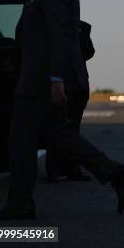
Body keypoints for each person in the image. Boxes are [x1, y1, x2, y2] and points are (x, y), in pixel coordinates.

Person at [0, 0, 124, 221]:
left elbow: (59, 34)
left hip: (39, 82)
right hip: (40, 79)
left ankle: (19, 205)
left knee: (20, 141)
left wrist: (56, 79)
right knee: (60, 137)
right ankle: (115, 173)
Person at [45, 21, 95, 183]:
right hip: (78, 82)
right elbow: (89, 52)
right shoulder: (82, 27)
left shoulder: (49, 26)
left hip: (64, 82)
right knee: (72, 128)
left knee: (58, 127)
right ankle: (71, 169)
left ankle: (56, 169)